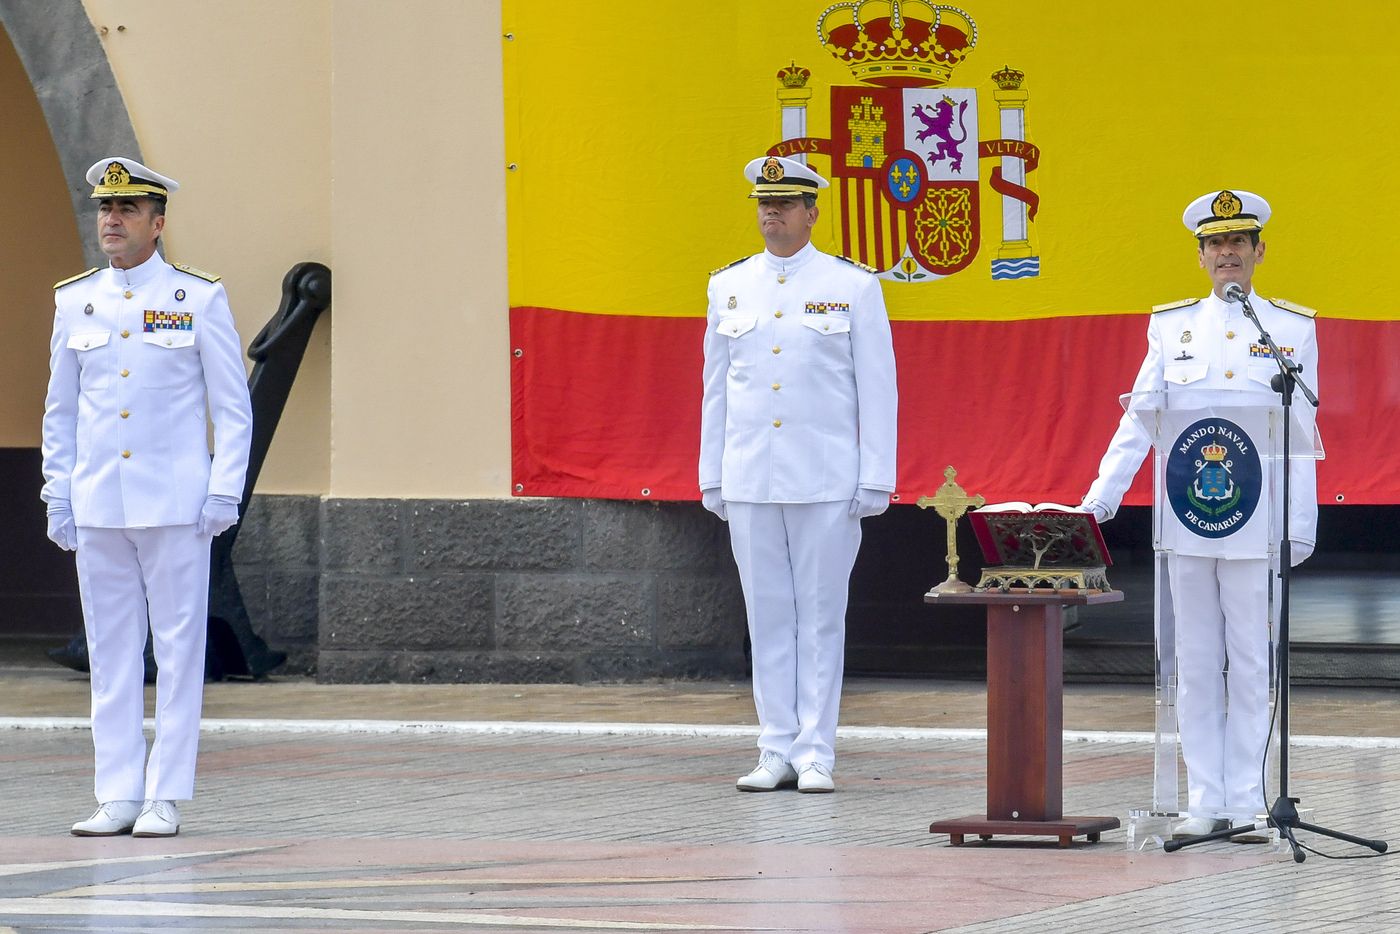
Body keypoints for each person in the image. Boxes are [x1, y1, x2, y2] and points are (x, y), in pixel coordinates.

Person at [1080, 189, 1318, 841]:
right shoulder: (1171, 327)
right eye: (1215, 244)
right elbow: (1139, 417)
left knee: (1249, 658)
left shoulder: (1291, 330)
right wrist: (1104, 491)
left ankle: (1245, 801)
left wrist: (1300, 523)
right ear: (1201, 256)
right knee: (1193, 658)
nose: (1226, 254)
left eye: (1238, 242)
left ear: (1259, 251)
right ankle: (1205, 799)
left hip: (1255, 522)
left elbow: (1302, 431)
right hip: (1184, 522)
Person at [43, 157, 253, 837]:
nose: (111, 220)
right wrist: (58, 494)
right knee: (110, 650)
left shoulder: (198, 298)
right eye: (105, 209)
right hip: (100, 500)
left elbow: (232, 405)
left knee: (179, 647)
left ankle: (165, 795)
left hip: (175, 503)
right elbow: (61, 411)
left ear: (157, 223)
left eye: (128, 209)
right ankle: (117, 794)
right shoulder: (75, 300)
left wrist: (224, 492)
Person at [699, 155, 897, 793]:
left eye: (785, 203)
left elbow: (878, 389)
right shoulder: (728, 286)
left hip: (825, 479)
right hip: (751, 476)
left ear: (813, 212)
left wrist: (875, 478)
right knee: (766, 614)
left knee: (819, 614)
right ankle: (773, 747)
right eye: (764, 203)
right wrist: (712, 475)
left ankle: (816, 750)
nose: (772, 214)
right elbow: (715, 391)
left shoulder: (853, 286)